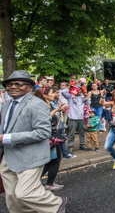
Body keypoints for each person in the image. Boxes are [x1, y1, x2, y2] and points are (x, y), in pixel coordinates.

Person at [0, 70, 67, 212]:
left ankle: (56, 204)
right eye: (9, 84)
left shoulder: (37, 104)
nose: (13, 87)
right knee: (12, 196)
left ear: (30, 88)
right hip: (8, 157)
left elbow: (43, 132)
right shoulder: (6, 105)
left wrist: (6, 138)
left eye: (19, 84)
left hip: (31, 156)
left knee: (25, 193)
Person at [34, 86, 69, 191]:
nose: (53, 94)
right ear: (44, 95)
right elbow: (45, 118)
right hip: (49, 137)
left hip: (53, 135)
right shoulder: (42, 106)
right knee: (55, 160)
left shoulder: (50, 104)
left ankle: (35, 181)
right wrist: (57, 109)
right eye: (51, 93)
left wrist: (60, 110)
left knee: (51, 160)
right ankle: (48, 183)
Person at [61, 84, 90, 154]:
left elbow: (88, 102)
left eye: (80, 89)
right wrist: (69, 88)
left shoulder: (82, 97)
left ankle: (82, 145)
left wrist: (87, 96)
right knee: (71, 133)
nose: (79, 91)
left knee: (82, 132)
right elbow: (63, 92)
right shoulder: (70, 96)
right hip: (72, 117)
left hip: (81, 117)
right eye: (77, 89)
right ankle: (70, 147)